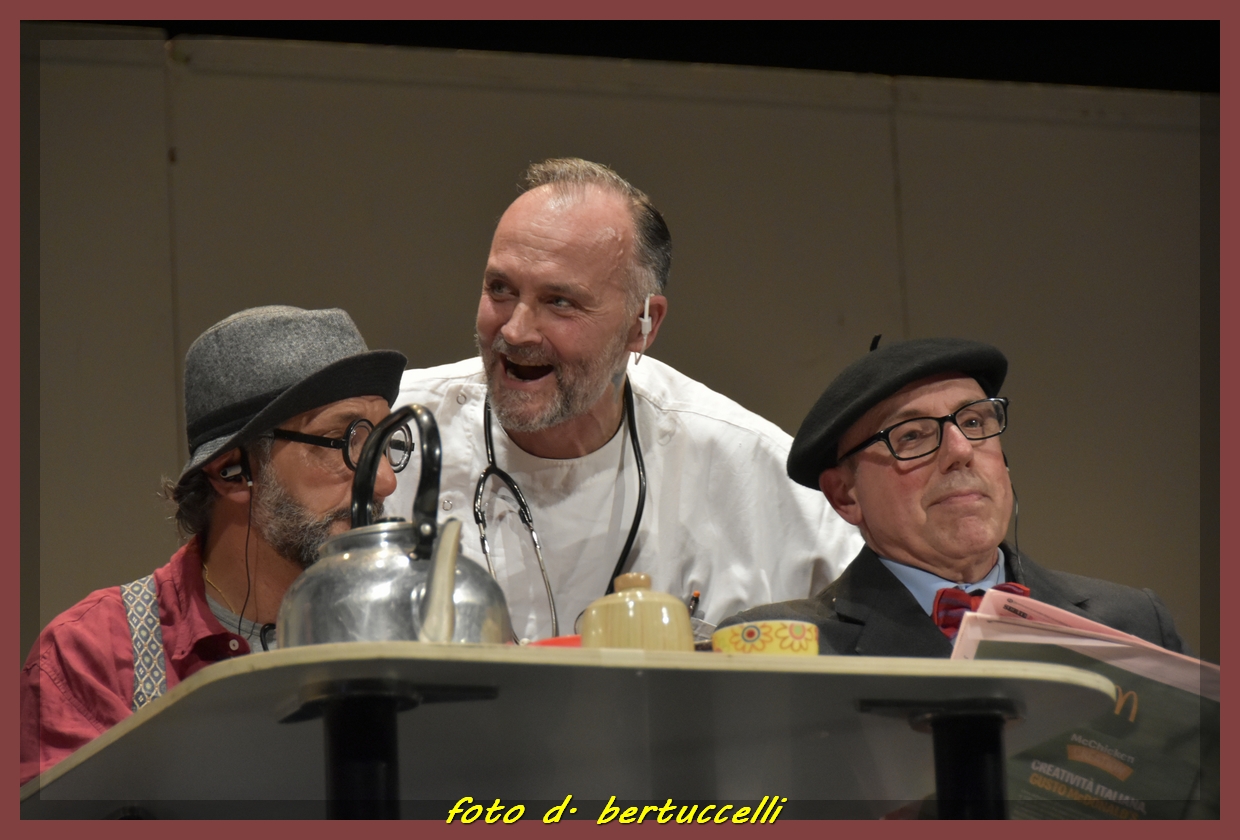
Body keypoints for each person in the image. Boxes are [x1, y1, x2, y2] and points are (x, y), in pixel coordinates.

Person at [389, 158, 863, 641]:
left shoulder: (748, 468)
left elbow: (885, 616)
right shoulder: (389, 425)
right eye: (500, 289)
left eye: (560, 302)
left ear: (644, 324)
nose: (515, 330)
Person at [20, 306, 408, 785]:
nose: (385, 481)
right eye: (344, 440)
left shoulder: (415, 628)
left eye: (385, 442)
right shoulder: (92, 659)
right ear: (231, 472)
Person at [719, 337, 1187, 656]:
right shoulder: (778, 649)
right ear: (845, 495)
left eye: (975, 422)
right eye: (912, 435)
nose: (960, 451)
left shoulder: (1133, 623)